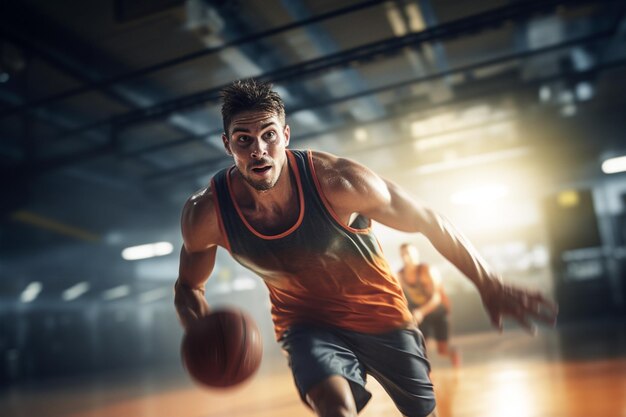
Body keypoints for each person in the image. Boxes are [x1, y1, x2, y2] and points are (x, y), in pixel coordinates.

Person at [174, 79, 557, 417]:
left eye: (269, 135)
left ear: (286, 136)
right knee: (334, 409)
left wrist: (487, 280)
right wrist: (202, 334)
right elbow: (188, 288)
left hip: (383, 317)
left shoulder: (338, 182)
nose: (259, 149)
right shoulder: (205, 214)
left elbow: (428, 219)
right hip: (306, 325)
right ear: (228, 144)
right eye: (244, 139)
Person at [398, 243, 460, 368]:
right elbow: (400, 297)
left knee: (442, 351)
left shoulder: (428, 270)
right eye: (403, 254)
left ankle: (453, 355)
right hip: (420, 313)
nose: (406, 257)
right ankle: (425, 374)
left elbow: (436, 297)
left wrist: (421, 312)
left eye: (408, 253)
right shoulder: (400, 275)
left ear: (416, 254)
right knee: (420, 347)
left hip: (438, 310)